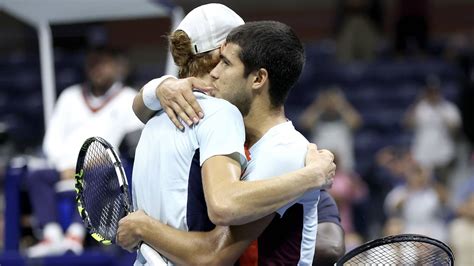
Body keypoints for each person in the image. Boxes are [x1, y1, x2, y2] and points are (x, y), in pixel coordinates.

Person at [117, 13, 336, 265]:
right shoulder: (230, 133)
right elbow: (141, 108)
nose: (215, 73)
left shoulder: (283, 150)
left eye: (225, 63)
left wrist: (144, 228)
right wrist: (161, 87)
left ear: (258, 79)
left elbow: (214, 250)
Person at [25, 47, 143, 257]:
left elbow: (132, 143)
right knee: (36, 175)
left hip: (103, 168)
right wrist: (65, 167)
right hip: (64, 167)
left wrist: (89, 163)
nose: (97, 70)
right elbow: (51, 140)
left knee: (104, 173)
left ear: (116, 67)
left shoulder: (129, 98)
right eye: (93, 64)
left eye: (103, 64)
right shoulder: (69, 96)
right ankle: (52, 236)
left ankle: (75, 234)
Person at [404, 75, 462, 184]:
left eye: (435, 91)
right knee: (424, 184)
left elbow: (456, 129)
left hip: (444, 154)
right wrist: (417, 102)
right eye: (430, 92)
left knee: (445, 185)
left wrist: (442, 115)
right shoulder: (420, 107)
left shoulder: (448, 108)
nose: (432, 95)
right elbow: (407, 124)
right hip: (423, 154)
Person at [299, 86, 362, 171]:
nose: (331, 102)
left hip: (344, 169)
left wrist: (341, 105)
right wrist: (319, 105)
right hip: (320, 169)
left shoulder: (345, 119)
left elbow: (356, 123)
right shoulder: (317, 120)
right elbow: (304, 123)